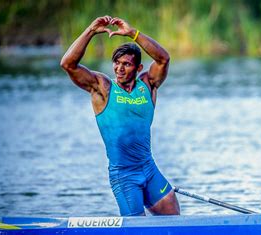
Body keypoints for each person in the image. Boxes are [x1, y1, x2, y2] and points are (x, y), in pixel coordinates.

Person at [60, 16, 180, 216]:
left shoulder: (148, 84)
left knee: (175, 221)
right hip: (124, 176)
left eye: (126, 64)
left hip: (149, 170)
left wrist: (133, 33)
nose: (119, 68)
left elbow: (163, 58)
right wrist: (90, 30)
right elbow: (68, 64)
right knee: (138, 229)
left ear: (138, 68)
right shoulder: (103, 88)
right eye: (116, 63)